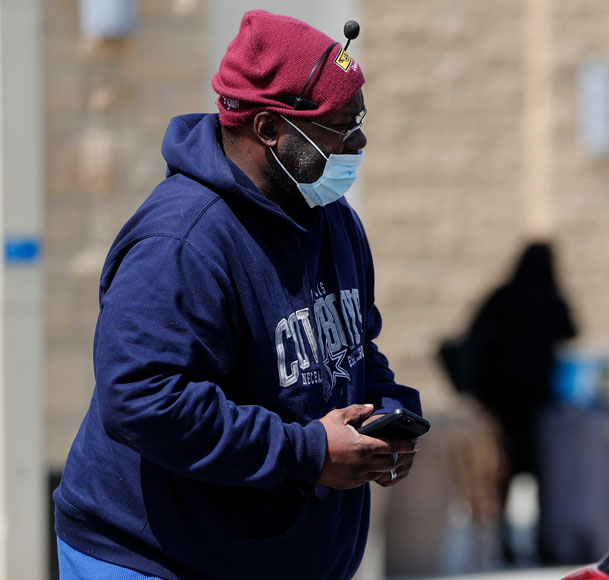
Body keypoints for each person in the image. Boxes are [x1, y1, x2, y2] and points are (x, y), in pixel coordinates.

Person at [52, 10, 422, 580]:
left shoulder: (333, 218)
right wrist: (309, 452)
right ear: (270, 129)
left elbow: (353, 347)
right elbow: (143, 399)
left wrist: (387, 412)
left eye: (360, 120)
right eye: (341, 126)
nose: (360, 139)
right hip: (155, 559)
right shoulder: (181, 242)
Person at [454, 241, 577, 562]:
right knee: (542, 476)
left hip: (501, 401)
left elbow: (473, 332)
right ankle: (541, 542)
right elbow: (572, 331)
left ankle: (504, 540)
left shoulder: (503, 296)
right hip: (537, 403)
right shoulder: (550, 299)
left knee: (502, 474)